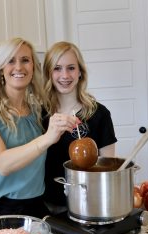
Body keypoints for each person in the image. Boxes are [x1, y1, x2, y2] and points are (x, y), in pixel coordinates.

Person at [0, 37, 80, 223]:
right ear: (1, 68)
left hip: (34, 207)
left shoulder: (36, 112)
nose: (19, 67)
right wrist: (48, 138)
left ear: (33, 67)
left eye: (25, 60)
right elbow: (2, 163)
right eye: (11, 60)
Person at [42, 41, 117, 214]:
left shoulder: (100, 114)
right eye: (57, 68)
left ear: (80, 72)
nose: (65, 75)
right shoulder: (39, 114)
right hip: (46, 206)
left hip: (88, 205)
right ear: (48, 73)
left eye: (71, 68)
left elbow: (108, 168)